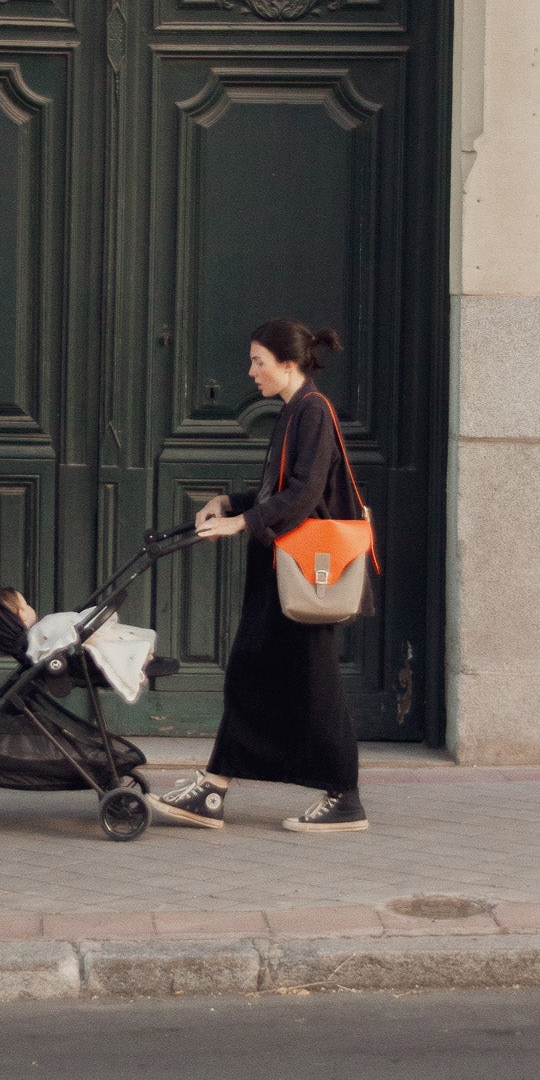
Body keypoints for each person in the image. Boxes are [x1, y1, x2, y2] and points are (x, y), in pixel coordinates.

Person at [149, 318, 371, 834]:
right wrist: (229, 501)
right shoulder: (295, 412)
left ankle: (345, 797)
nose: (251, 372)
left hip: (305, 576)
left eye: (259, 362)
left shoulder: (312, 412)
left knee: (316, 684)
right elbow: (280, 491)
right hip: (282, 572)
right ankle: (213, 788)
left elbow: (304, 495)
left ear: (287, 365)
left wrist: (240, 522)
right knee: (250, 672)